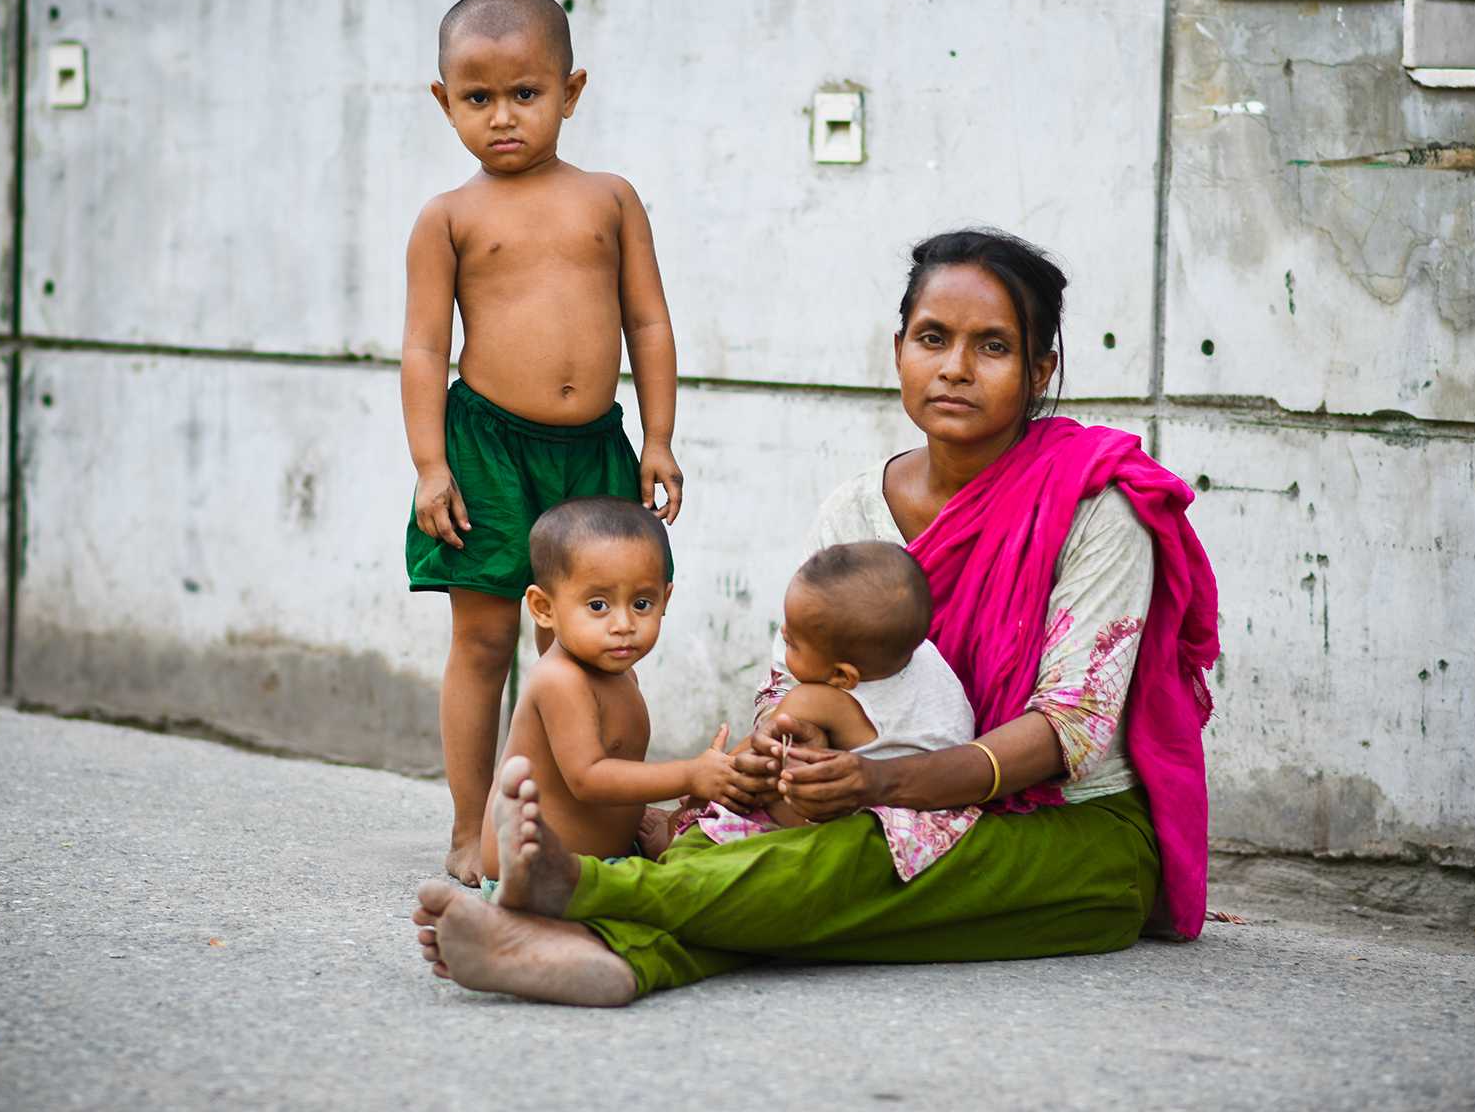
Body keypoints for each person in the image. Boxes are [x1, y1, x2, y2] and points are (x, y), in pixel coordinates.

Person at [412, 228, 1220, 1006]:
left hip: (1072, 840)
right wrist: (780, 759)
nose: (957, 369)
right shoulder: (856, 509)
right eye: (932, 338)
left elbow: (1071, 727)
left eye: (995, 347)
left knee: (855, 860)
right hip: (872, 803)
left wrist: (881, 780)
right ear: (898, 349)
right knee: (770, 847)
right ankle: (606, 964)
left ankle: (579, 892)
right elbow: (788, 680)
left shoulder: (1093, 504)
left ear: (1042, 369)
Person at [402, 0, 684, 887]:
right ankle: (470, 822)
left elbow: (648, 323)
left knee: (592, 646)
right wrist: (430, 465)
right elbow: (421, 348)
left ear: (572, 89)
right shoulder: (448, 217)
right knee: (484, 643)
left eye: (525, 92)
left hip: (594, 447)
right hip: (486, 449)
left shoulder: (610, 199)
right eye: (477, 99)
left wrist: (659, 438)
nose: (503, 117)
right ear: (444, 103)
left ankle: (598, 812)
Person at [476, 497, 749, 886]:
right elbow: (589, 778)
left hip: (604, 862)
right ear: (543, 607)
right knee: (694, 900)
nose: (623, 624)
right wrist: (690, 775)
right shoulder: (560, 680)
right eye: (598, 605)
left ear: (664, 600)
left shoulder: (620, 674)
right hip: (539, 876)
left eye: (641, 603)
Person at [688, 541, 983, 881]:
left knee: (772, 781)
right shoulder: (919, 654)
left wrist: (697, 793)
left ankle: (681, 828)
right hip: (946, 811)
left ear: (843, 675)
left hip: (875, 821)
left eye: (793, 642)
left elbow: (748, 761)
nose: (783, 634)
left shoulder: (815, 700)